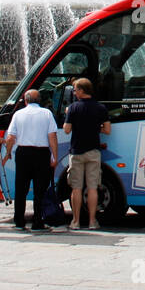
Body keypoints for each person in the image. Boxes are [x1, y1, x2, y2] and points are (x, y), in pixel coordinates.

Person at [2, 89, 60, 231]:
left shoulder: (18, 114)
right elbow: (52, 136)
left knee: (21, 188)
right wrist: (55, 156)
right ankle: (37, 221)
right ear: (40, 100)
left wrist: (8, 152)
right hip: (41, 154)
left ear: (25, 100)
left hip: (23, 153)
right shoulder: (47, 114)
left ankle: (19, 221)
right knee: (40, 189)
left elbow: (10, 137)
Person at [62, 78, 110, 229]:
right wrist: (96, 128)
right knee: (92, 188)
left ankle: (75, 221)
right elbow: (107, 130)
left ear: (82, 91)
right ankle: (92, 221)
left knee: (76, 188)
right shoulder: (101, 108)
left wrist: (67, 115)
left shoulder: (73, 108)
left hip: (76, 151)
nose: (74, 93)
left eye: (75, 90)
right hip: (93, 151)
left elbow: (66, 129)